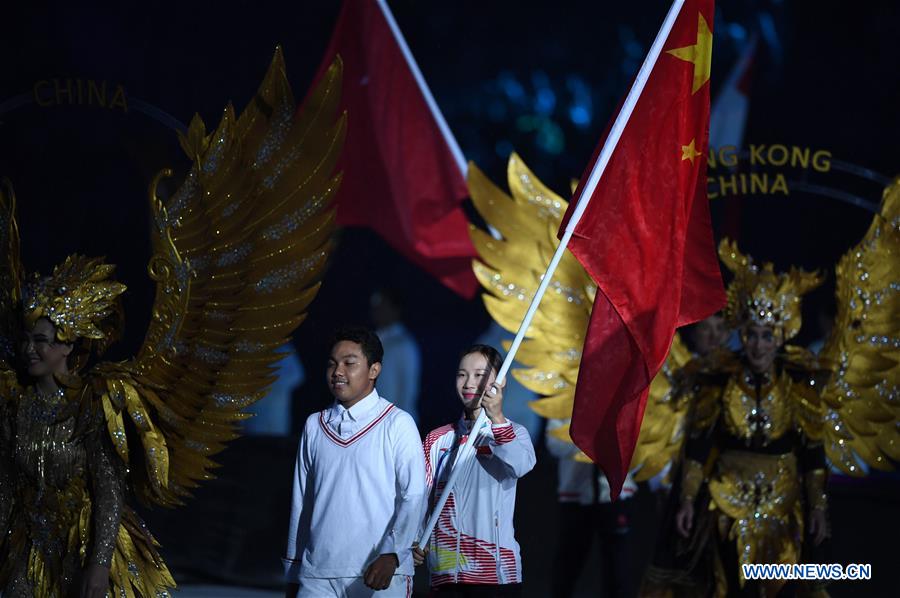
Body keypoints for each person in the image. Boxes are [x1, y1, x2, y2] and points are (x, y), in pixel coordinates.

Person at [284, 327, 425, 598]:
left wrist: (392, 554)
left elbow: (414, 496)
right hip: (318, 573)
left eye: (349, 363)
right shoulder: (315, 425)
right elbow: (302, 502)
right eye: (332, 364)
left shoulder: (397, 423)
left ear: (374, 370)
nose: (338, 371)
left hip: (380, 572)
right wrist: (294, 570)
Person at [414, 344, 536, 596]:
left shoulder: (513, 433)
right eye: (462, 374)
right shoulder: (437, 439)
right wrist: (415, 540)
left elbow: (521, 465)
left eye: (480, 375)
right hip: (445, 572)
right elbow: (420, 498)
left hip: (496, 575)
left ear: (499, 383)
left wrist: (498, 420)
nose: (469, 383)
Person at [546, 417, 637, 598]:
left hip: (615, 495)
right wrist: (590, 439)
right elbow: (553, 442)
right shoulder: (568, 395)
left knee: (617, 569)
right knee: (567, 566)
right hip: (575, 495)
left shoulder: (625, 393)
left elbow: (640, 444)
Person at [370, 288, 422, 425]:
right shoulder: (370, 340)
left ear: (395, 309)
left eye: (383, 305)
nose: (378, 310)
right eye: (375, 305)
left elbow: (409, 389)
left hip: (394, 422)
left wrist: (401, 423)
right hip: (372, 420)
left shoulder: (404, 343)